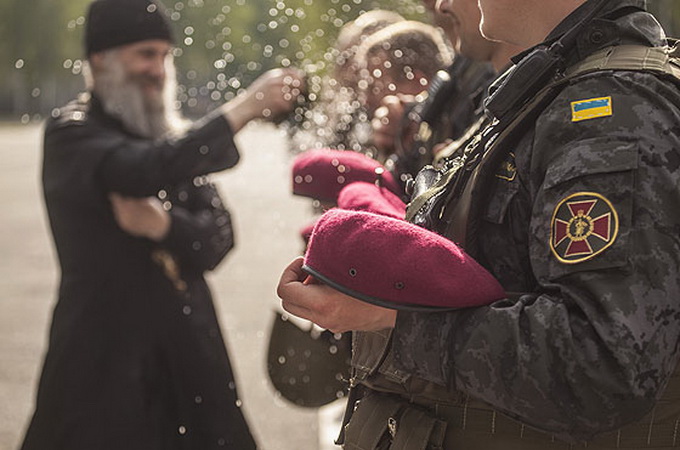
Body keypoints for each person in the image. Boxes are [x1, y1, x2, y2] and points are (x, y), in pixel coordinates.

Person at [278, 0, 680, 448]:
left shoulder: (609, 111)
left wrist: (390, 318)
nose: (447, 2)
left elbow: (603, 365)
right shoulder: (556, 88)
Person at [20, 0, 302, 449]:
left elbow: (219, 236)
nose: (158, 68)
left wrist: (164, 226)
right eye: (145, 54)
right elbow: (141, 169)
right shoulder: (72, 132)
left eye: (164, 56)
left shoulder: (173, 138)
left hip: (188, 351)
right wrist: (245, 108)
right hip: (102, 355)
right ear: (100, 60)